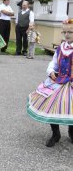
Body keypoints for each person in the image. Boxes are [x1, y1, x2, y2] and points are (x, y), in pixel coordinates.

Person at [27, 18, 73, 147]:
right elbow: (54, 62)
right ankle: (56, 133)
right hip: (59, 80)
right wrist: (51, 70)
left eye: (70, 32)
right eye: (65, 32)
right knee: (51, 104)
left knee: (71, 106)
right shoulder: (61, 48)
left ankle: (72, 131)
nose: (67, 34)